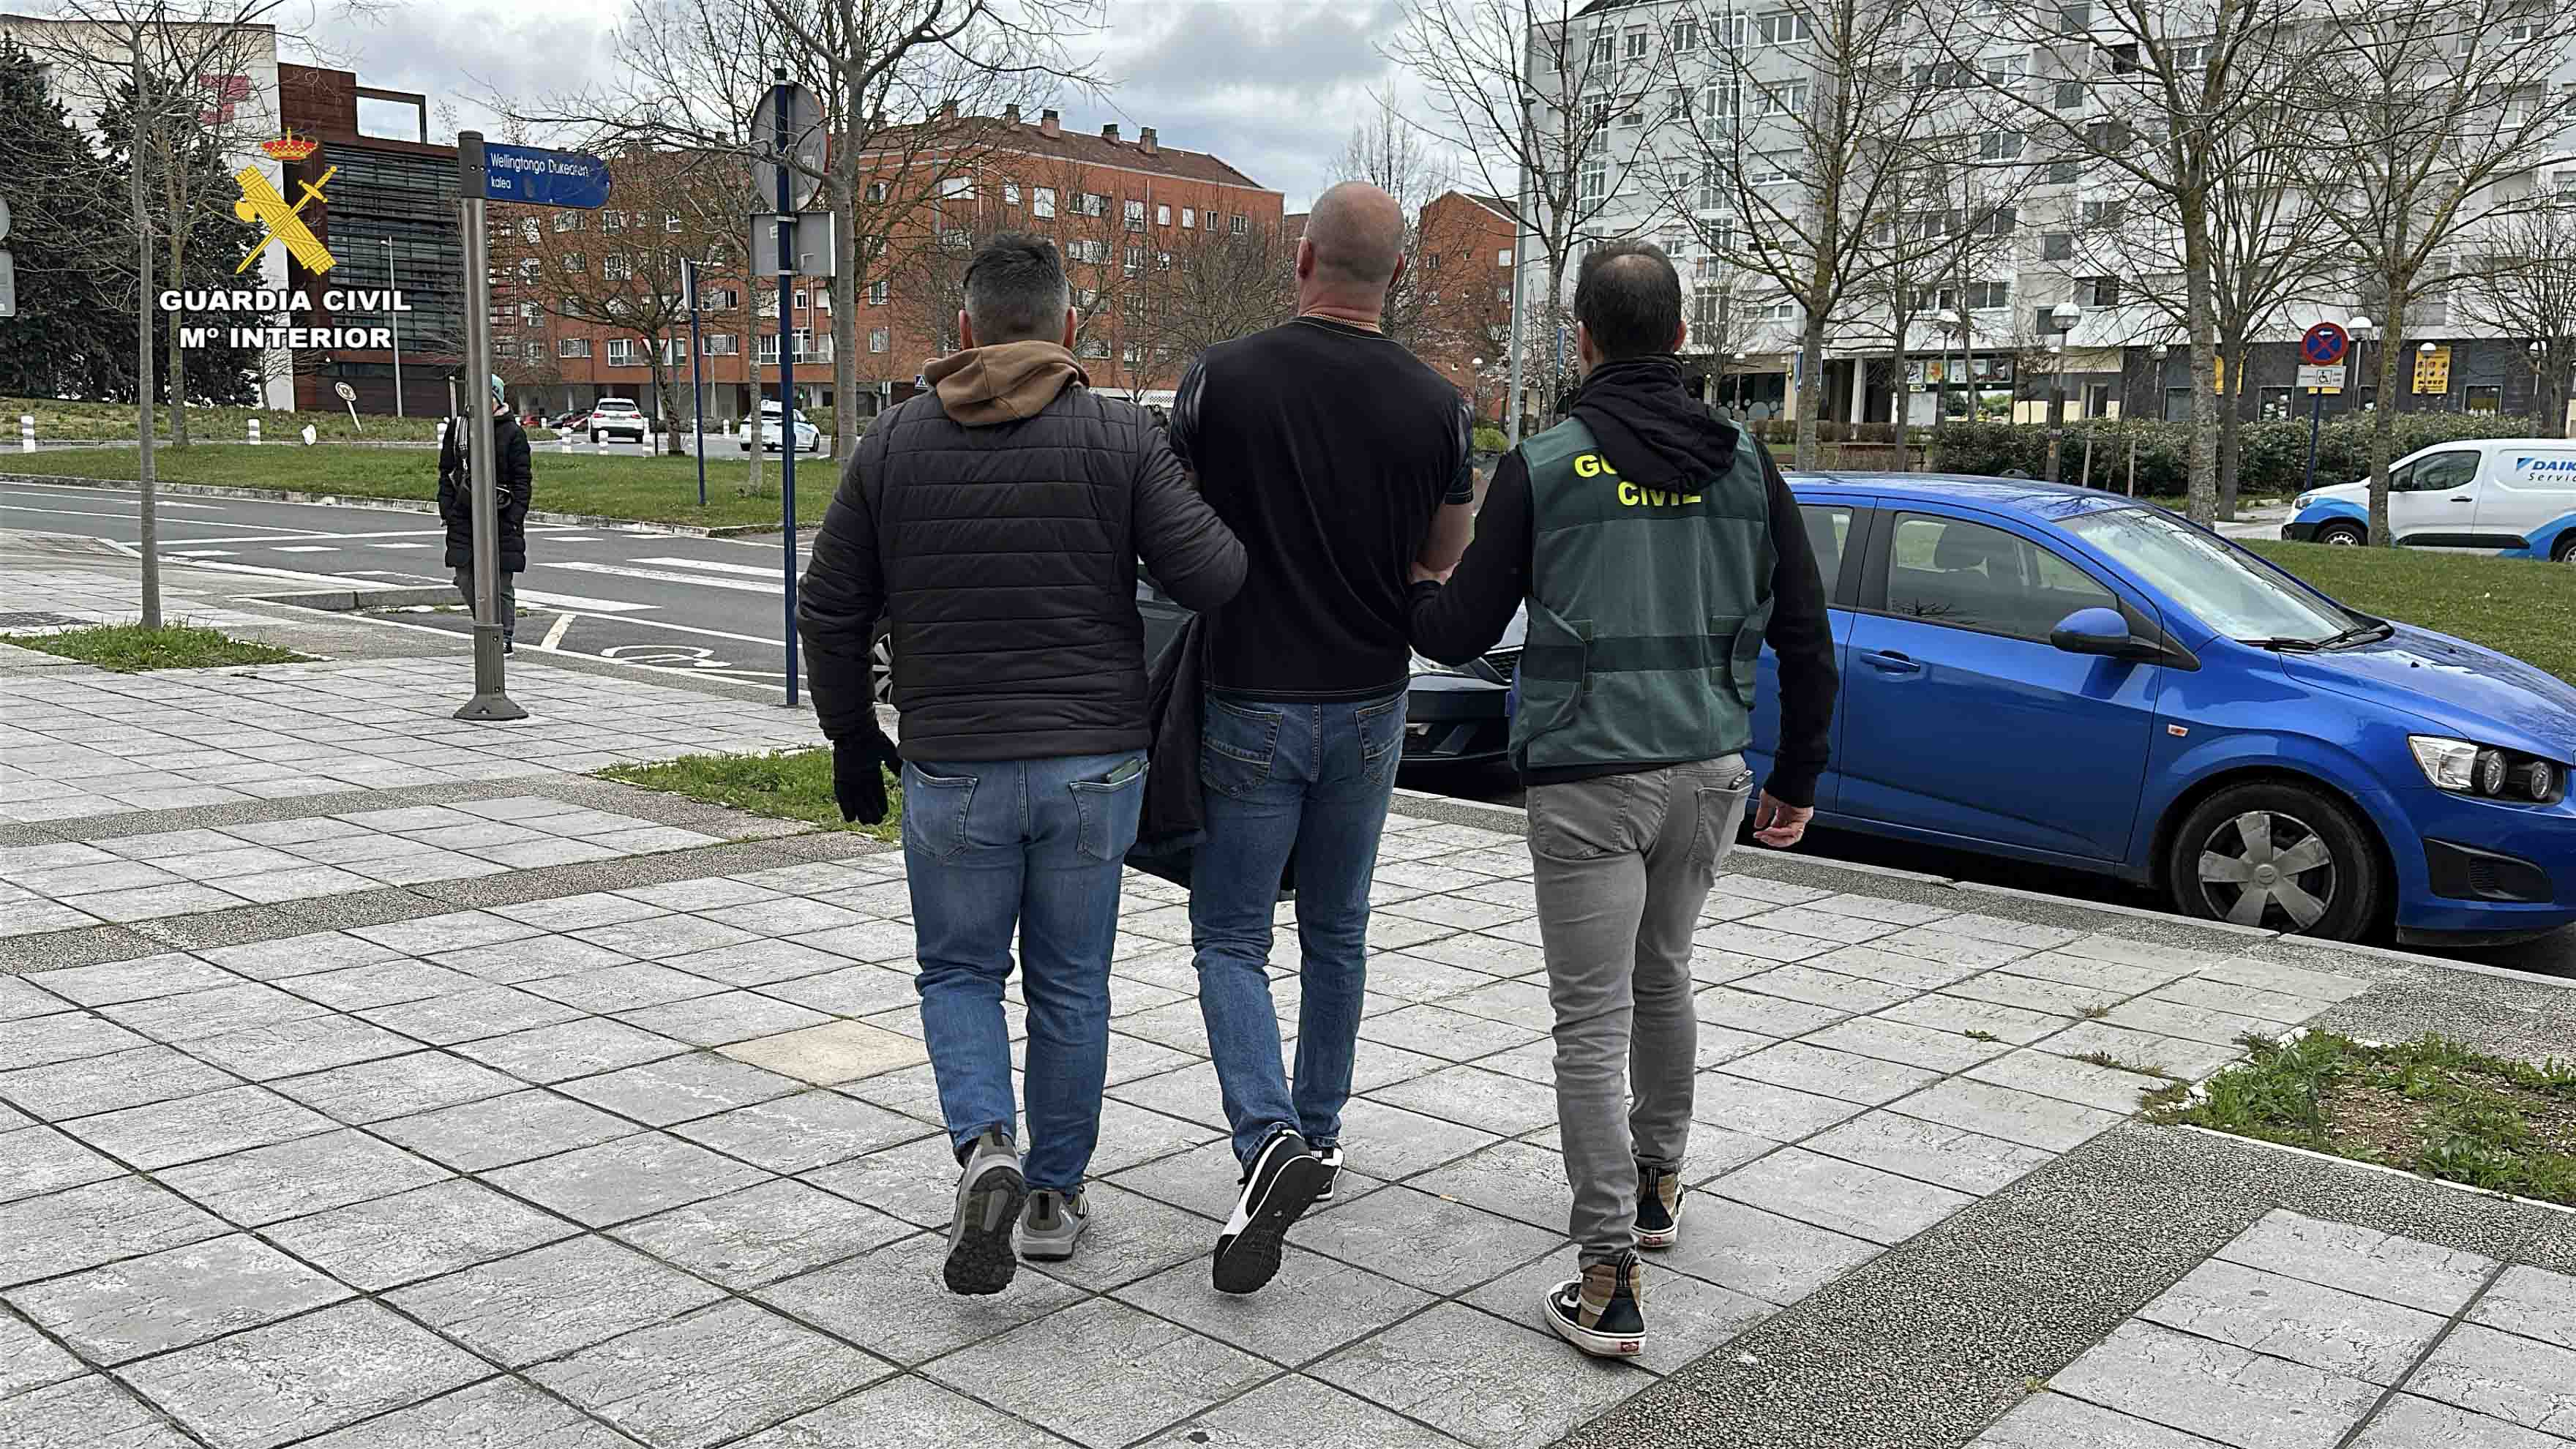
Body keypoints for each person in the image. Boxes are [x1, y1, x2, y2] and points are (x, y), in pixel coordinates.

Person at [1407, 242, 1838, 1359]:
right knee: (1666, 979)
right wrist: (1798, 775)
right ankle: (1657, 1187)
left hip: (1587, 780)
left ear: (1582, 341)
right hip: (1708, 774)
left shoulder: (1547, 464)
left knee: (1590, 1022)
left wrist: (1396, 575)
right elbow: (1806, 630)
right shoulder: (1748, 460)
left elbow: (1457, 632)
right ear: (1684, 340)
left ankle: (1608, 1281)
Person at [798, 235, 1245, 1295]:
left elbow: (830, 607)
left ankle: (984, 1144)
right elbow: (1214, 575)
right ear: (1068, 331)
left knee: (958, 970)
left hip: (954, 768)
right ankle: (1051, 1198)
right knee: (1070, 984)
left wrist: (852, 735)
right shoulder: (1117, 435)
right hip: (1096, 767)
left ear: (963, 332)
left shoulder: (894, 443)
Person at [1167, 181, 1477, 1295]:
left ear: (1303, 261)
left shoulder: (1222, 378)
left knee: (1230, 937)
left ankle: (1267, 1141)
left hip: (1249, 692)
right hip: (1369, 699)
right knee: (1338, 930)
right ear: (1396, 274)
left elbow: (1179, 520)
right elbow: (1444, 554)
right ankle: (1323, 1133)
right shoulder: (1440, 405)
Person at [436, 373, 532, 651]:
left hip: (501, 516)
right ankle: (487, 626)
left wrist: (515, 516)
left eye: (488, 396)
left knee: (501, 580)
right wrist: (447, 508)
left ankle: (503, 637)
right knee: (466, 578)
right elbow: (447, 472)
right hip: (464, 514)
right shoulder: (459, 429)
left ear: (498, 399)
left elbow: (522, 479)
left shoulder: (512, 432)